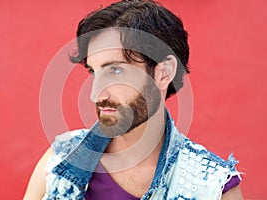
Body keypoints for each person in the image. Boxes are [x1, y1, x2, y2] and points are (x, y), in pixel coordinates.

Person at [24, 0, 243, 199]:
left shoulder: (213, 187)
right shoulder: (60, 159)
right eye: (94, 72)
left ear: (164, 73)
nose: (96, 94)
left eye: (116, 71)